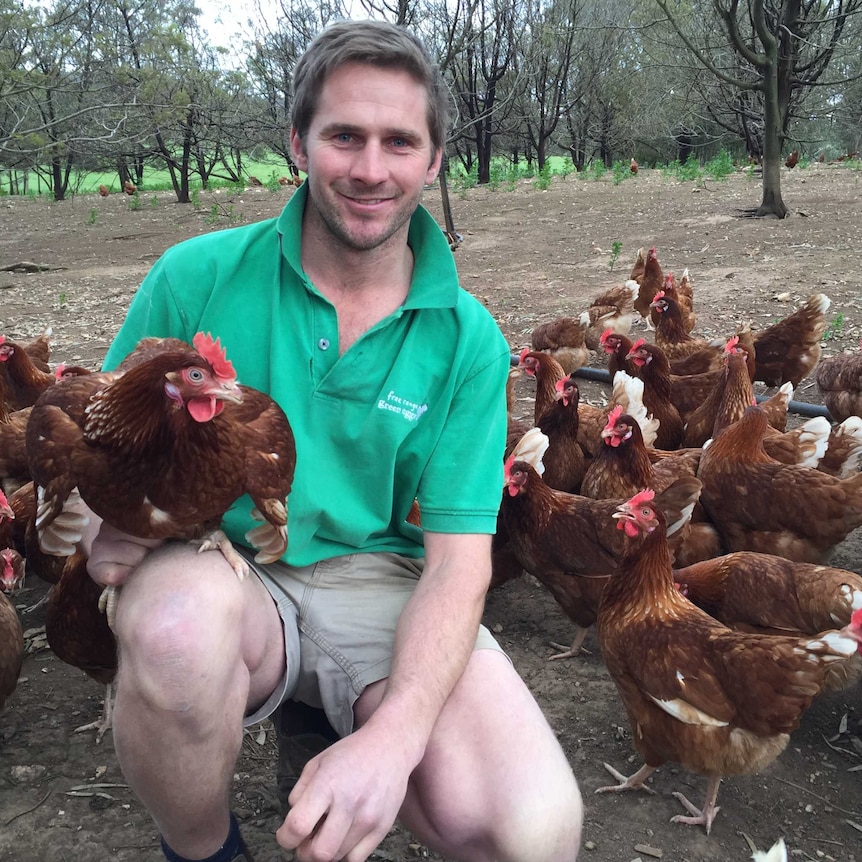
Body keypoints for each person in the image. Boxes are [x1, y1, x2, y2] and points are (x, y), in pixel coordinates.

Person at [85, 18, 583, 862]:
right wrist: (109, 529)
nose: (369, 168)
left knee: (532, 830)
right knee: (174, 634)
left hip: (380, 582)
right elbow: (106, 453)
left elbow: (460, 562)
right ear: (298, 142)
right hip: (218, 563)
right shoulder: (194, 278)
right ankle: (205, 850)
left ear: (432, 162)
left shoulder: (468, 339)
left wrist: (395, 739)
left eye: (399, 141)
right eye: (344, 135)